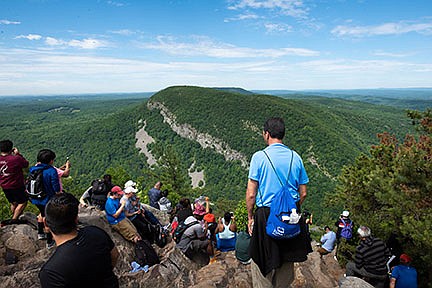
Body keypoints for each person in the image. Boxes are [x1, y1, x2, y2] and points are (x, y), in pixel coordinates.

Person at [246, 117, 311, 288]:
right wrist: (293, 209)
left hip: (265, 215)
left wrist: (250, 217)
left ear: (266, 134)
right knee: (286, 260)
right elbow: (303, 193)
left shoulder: (259, 157)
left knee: (262, 260)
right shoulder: (295, 157)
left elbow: (251, 194)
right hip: (290, 215)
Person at [39, 192, 119, 288]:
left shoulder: (51, 273)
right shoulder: (96, 233)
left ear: (45, 224)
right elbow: (115, 254)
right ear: (76, 219)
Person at [29, 149, 61, 249]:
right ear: (51, 160)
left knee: (42, 214)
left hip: (35, 198)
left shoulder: (33, 169)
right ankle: (49, 241)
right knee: (47, 218)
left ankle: (40, 233)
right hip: (46, 199)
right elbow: (56, 188)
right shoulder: (51, 171)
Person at [0, 140, 29, 221]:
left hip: (4, 186)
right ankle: (14, 219)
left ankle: (16, 217)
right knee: (23, 202)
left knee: (13, 202)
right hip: (17, 185)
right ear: (11, 149)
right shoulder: (16, 159)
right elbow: (26, 164)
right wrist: (18, 154)